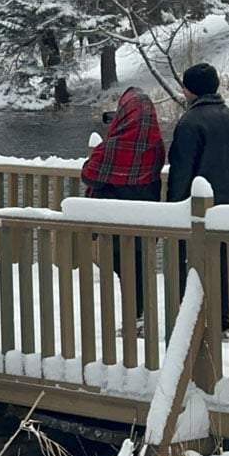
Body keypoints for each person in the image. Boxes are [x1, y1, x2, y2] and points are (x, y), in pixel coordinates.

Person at [167, 63, 229, 333]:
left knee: (190, 263)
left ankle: (191, 318)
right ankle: (224, 318)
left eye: (185, 86)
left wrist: (173, 207)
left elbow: (181, 170)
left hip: (197, 208)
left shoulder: (191, 122)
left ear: (191, 89)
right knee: (224, 263)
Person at [82, 86, 165, 327]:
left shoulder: (114, 145)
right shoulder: (156, 144)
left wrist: (106, 141)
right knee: (140, 270)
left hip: (117, 223)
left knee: (124, 271)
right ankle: (141, 316)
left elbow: (90, 175)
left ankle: (135, 319)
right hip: (146, 220)